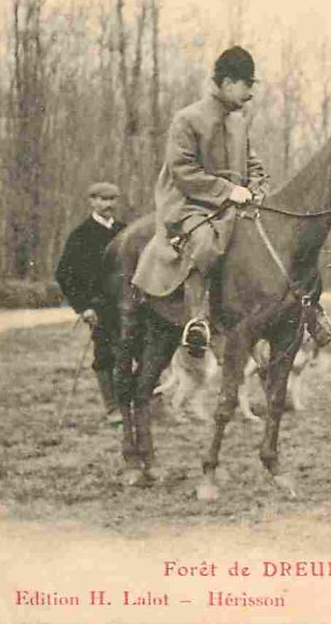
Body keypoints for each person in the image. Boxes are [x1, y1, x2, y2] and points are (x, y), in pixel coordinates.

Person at [131, 45, 268, 358]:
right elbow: (182, 170)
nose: (250, 93)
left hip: (230, 205)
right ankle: (197, 321)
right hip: (189, 204)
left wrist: (257, 187)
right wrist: (227, 190)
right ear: (228, 82)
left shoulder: (239, 121)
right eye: (247, 84)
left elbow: (254, 164)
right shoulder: (187, 119)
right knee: (205, 241)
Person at [55, 181, 127, 424]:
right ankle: (113, 409)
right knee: (105, 354)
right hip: (99, 307)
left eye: (113, 199)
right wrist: (83, 307)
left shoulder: (125, 231)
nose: (109, 205)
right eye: (103, 199)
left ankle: (137, 404)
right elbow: (64, 274)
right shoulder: (81, 235)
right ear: (92, 201)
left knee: (133, 351)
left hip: (128, 305)